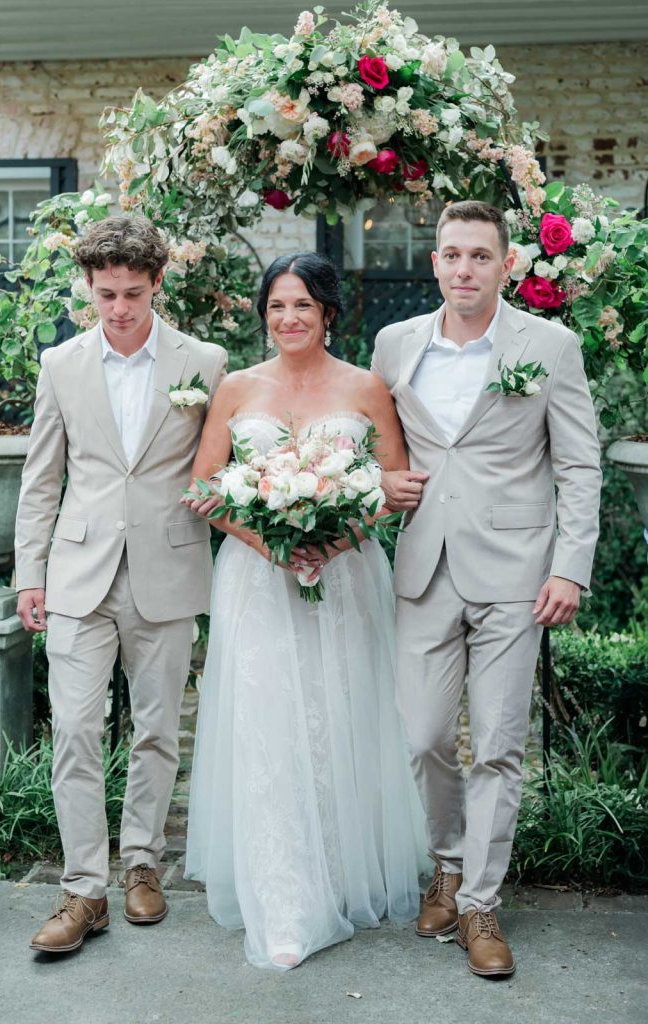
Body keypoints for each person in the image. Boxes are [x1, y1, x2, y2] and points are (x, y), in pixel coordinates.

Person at [372, 200, 602, 977]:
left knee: (498, 744)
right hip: (424, 565)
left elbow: (577, 463)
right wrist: (384, 484)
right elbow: (380, 448)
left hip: (516, 570)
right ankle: (446, 862)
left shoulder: (550, 346)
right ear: (433, 262)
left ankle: (479, 903)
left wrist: (570, 564)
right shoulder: (396, 344)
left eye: (479, 255)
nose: (464, 268)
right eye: (451, 255)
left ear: (507, 265)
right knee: (423, 736)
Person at [183, 252, 429, 971]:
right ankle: (284, 898)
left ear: (327, 313)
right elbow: (201, 490)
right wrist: (272, 543)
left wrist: (335, 539)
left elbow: (395, 486)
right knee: (268, 728)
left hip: (346, 580)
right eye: (277, 307)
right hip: (256, 579)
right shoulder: (234, 388)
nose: (288, 319)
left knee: (338, 720)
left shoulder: (366, 388)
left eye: (302, 307)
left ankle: (343, 876)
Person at [15, 215, 227, 953]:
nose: (119, 309)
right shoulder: (61, 364)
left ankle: (142, 863)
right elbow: (42, 479)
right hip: (77, 573)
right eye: (105, 294)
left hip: (167, 568)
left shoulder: (205, 360)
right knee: (74, 730)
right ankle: (81, 892)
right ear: (89, 289)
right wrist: (28, 574)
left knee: (157, 729)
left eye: (133, 293)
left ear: (157, 283)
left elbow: (217, 465)